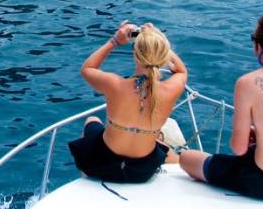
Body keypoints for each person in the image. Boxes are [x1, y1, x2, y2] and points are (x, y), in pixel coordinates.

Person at [180, 12, 263, 201]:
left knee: (187, 158)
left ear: (259, 46)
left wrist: (253, 136)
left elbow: (238, 149)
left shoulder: (247, 83)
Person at [68, 20, 188, 183]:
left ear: (135, 55)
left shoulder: (115, 85)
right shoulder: (170, 90)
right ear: (163, 54)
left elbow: (87, 69)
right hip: (142, 171)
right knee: (161, 146)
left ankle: (85, 175)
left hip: (102, 165)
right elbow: (181, 71)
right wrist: (158, 39)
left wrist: (115, 41)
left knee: (92, 120)